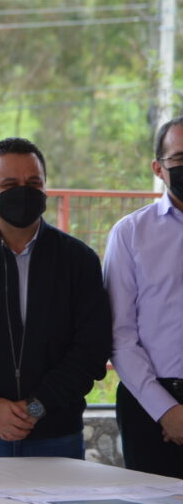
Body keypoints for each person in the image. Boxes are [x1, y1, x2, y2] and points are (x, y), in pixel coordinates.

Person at [0, 137, 110, 458]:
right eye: (10, 184)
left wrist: (37, 407)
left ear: (45, 188)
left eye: (33, 183)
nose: (24, 192)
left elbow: (91, 350)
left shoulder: (78, 260)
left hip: (58, 435)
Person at [105, 116, 183, 477]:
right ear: (158, 167)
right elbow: (120, 335)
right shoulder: (130, 234)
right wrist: (166, 411)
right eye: (180, 158)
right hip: (148, 403)